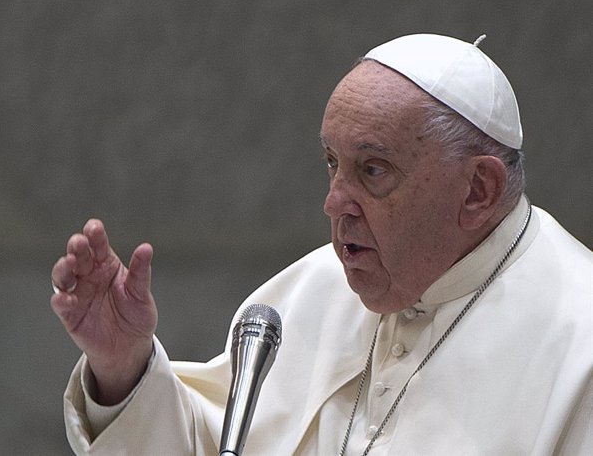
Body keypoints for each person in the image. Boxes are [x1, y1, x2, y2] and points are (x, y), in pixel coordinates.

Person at [51, 34, 593, 455]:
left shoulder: (580, 341)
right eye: (333, 164)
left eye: (373, 170)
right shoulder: (309, 294)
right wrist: (123, 366)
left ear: (479, 190)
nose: (335, 202)